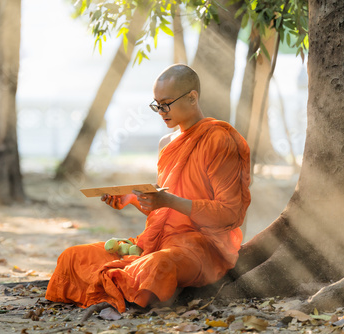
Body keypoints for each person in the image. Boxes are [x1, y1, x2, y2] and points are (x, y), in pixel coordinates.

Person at [45, 64, 251, 315]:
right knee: (73, 256)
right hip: (158, 241)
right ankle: (119, 293)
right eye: (156, 104)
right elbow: (165, 213)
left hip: (201, 246)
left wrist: (168, 200)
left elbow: (230, 213)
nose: (161, 112)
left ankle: (119, 294)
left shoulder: (218, 139)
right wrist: (133, 198)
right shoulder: (167, 143)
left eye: (166, 104)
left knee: (157, 266)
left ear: (192, 97)